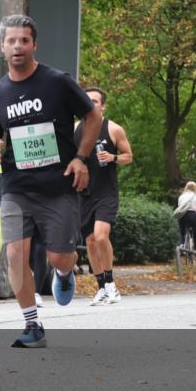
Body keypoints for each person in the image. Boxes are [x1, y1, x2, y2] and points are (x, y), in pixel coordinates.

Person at [0, 14, 101, 348]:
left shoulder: (57, 81)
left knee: (58, 257)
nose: (18, 47)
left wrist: (81, 157)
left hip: (58, 185)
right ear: (2, 46)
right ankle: (33, 325)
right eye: (11, 41)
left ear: (34, 44)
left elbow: (93, 116)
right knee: (15, 255)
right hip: (17, 188)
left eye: (24, 41)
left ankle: (64, 272)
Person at [75, 87, 133, 307]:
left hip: (106, 192)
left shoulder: (114, 129)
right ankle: (100, 287)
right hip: (84, 194)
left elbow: (129, 156)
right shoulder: (76, 129)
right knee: (90, 241)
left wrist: (113, 157)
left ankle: (110, 283)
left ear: (103, 106)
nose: (91, 105)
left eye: (95, 101)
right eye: (87, 101)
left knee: (100, 236)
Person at [174, 181, 196, 251]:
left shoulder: (181, 196)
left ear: (186, 187)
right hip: (193, 215)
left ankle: (182, 244)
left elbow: (180, 207)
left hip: (182, 215)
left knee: (182, 231)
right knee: (195, 232)